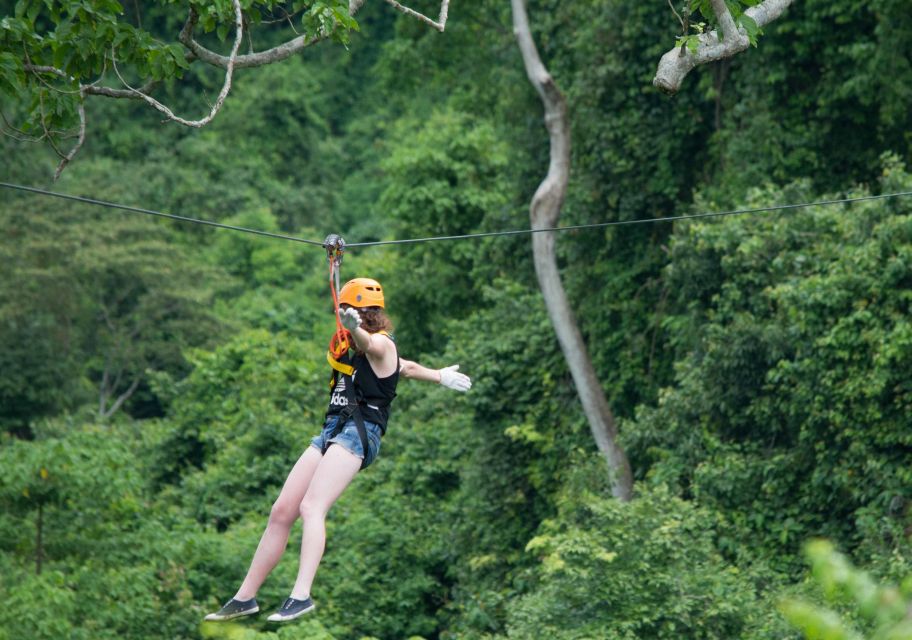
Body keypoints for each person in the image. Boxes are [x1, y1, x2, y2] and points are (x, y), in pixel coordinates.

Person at [204, 277, 471, 623]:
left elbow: (376, 348)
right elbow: (405, 368)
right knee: (282, 510)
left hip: (361, 433)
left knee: (312, 506)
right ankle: (245, 598)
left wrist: (356, 328)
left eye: (349, 314)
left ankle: (300, 596)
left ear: (364, 315)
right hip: (333, 429)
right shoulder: (353, 343)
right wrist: (438, 376)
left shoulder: (379, 343)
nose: (342, 319)